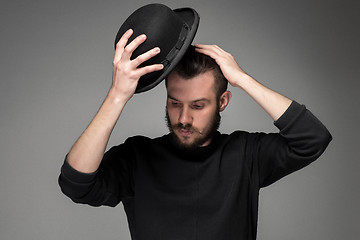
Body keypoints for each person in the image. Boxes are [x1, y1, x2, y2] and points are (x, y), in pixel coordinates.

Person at [58, 29, 332, 240]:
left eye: (198, 106)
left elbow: (312, 138)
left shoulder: (246, 153)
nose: (184, 119)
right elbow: (75, 184)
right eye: (175, 103)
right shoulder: (138, 157)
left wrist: (242, 79)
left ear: (223, 101)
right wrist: (117, 96)